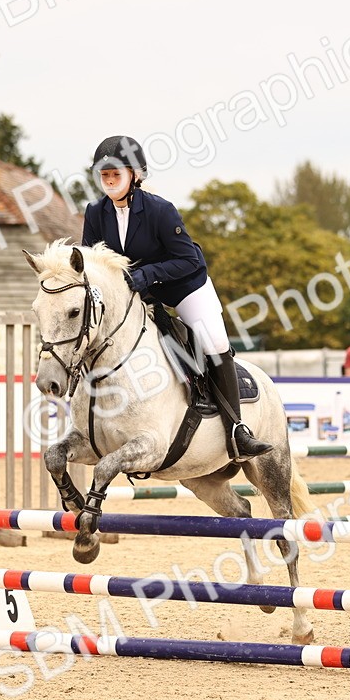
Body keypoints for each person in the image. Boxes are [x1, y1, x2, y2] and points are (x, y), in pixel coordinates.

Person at [82, 135, 272, 462]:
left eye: (116, 174)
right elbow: (91, 262)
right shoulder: (96, 213)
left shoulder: (160, 211)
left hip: (184, 286)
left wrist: (146, 275)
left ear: (135, 175)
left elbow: (190, 260)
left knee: (213, 343)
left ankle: (237, 430)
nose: (110, 180)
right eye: (104, 175)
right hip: (137, 293)